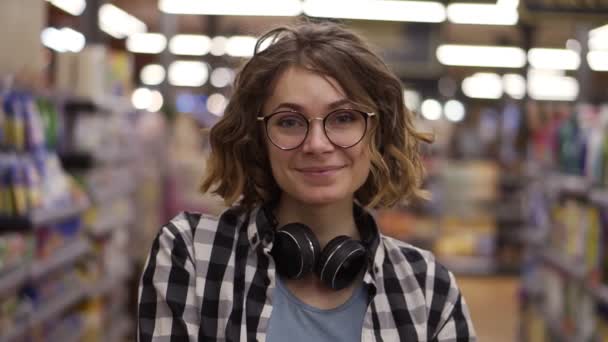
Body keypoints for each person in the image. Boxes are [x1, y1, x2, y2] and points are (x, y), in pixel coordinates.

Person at [138, 20, 476, 342]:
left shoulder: (429, 287)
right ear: (259, 138)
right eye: (289, 121)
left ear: (376, 132)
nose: (316, 144)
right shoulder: (193, 255)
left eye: (344, 118)